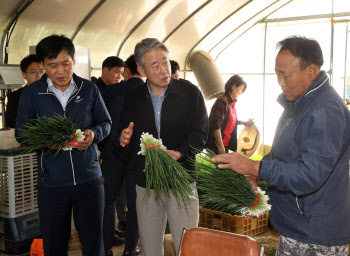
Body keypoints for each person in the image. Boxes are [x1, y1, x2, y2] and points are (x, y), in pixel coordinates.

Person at [212, 36, 350, 255]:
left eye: (285, 74)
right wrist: (260, 171)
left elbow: (309, 175)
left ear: (311, 72)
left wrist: (255, 167)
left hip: (315, 234)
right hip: (297, 225)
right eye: (277, 73)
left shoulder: (324, 110)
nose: (280, 81)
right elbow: (283, 154)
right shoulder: (299, 102)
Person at [15, 35, 111, 256]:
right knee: (54, 244)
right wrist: (46, 141)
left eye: (65, 63)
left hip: (88, 178)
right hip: (52, 182)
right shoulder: (33, 93)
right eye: (53, 65)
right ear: (43, 65)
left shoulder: (88, 89)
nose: (61, 71)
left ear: (74, 61)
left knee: (94, 242)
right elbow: (22, 132)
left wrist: (93, 134)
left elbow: (106, 123)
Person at [119, 38, 208, 256]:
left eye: (165, 62)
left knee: (186, 246)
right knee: (150, 248)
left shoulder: (190, 93)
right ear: (141, 69)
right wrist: (123, 139)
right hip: (146, 183)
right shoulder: (132, 98)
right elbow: (122, 137)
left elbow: (200, 134)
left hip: (182, 180)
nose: (163, 70)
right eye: (155, 65)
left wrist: (180, 152)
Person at [101, 54, 145, 256]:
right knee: (135, 203)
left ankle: (106, 246)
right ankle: (130, 248)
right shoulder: (149, 92)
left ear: (127, 71)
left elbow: (102, 121)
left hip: (111, 153)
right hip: (138, 156)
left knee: (108, 200)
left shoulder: (110, 91)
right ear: (143, 69)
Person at [206, 75, 253, 154]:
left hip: (225, 144)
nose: (241, 93)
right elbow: (216, 125)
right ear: (234, 86)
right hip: (217, 145)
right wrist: (220, 147)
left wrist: (243, 122)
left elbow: (228, 120)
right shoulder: (223, 101)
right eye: (241, 89)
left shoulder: (231, 102)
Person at [5, 54, 44, 128]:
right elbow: (11, 124)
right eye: (33, 72)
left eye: (41, 71)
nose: (38, 76)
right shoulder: (15, 97)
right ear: (24, 75)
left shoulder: (54, 93)